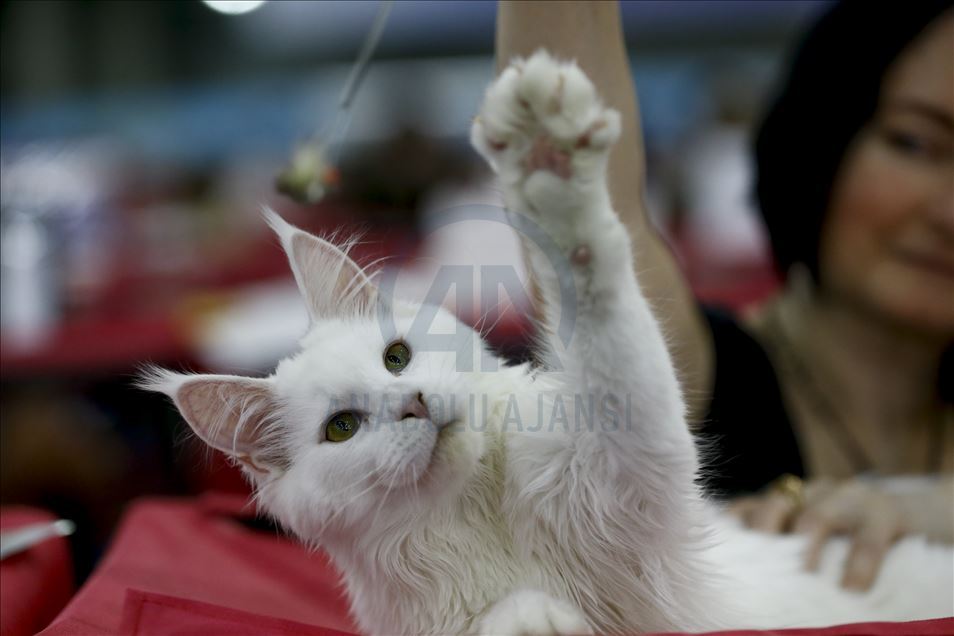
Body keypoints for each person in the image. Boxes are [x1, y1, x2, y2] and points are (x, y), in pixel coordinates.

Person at [496, 0, 953, 591]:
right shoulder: (696, 381)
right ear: (821, 139)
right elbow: (583, 218)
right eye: (915, 144)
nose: (949, 213)